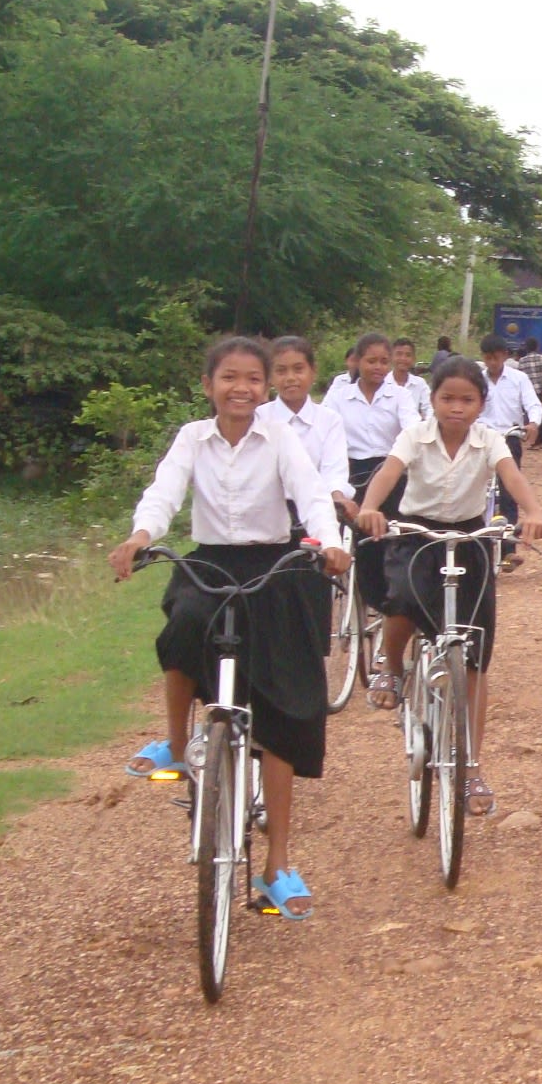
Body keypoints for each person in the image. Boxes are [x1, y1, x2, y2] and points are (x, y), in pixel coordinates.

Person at [110, 337, 352, 920]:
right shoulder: (192, 438)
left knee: (287, 711)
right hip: (212, 561)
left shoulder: (282, 438)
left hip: (276, 566)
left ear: (265, 389)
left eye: (252, 379)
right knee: (182, 625)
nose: (240, 388)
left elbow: (312, 495)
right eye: (229, 378)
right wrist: (141, 536)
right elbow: (164, 493)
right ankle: (174, 741)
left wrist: (333, 544)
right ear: (208, 384)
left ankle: (277, 867)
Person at [356, 356, 542, 816]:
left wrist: (533, 512)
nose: (456, 408)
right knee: (400, 594)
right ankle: (391, 664)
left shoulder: (490, 440)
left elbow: (512, 477)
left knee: (475, 654)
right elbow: (388, 471)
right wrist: (370, 507)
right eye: (447, 399)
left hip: (468, 537)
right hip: (417, 531)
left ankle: (470, 768)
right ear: (433, 400)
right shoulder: (414, 436)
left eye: (467, 400)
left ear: (482, 403)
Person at [326, 333, 422, 613]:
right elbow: (326, 430)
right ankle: (366, 593)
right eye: (371, 361)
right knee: (358, 539)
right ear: (357, 361)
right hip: (350, 471)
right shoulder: (339, 396)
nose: (378, 367)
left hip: (390, 470)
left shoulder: (400, 396)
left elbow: (411, 428)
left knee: (393, 536)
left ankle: (395, 594)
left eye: (384, 361)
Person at [258, 336, 358, 524]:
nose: (290, 378)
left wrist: (337, 496)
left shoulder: (329, 420)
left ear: (313, 372)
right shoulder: (257, 418)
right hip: (266, 512)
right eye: (281, 371)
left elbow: (334, 471)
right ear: (270, 377)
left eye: (298, 369)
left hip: (317, 509)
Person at [479, 335, 542, 565]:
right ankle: (477, 545)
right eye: (488, 358)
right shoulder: (477, 379)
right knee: (477, 489)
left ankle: (508, 548)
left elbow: (532, 403)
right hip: (481, 439)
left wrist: (533, 423)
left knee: (509, 492)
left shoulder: (519, 379)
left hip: (509, 437)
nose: (492, 363)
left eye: (496, 358)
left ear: (505, 356)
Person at [515, 337, 542, 436]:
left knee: (531, 414)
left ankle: (534, 438)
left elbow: (519, 376)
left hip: (528, 391)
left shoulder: (522, 361)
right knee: (541, 414)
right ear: (537, 347)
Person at [389, 337, 433, 420]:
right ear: (391, 357)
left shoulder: (420, 383)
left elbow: (429, 407)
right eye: (399, 354)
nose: (403, 358)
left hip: (414, 430)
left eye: (408, 355)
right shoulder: (382, 383)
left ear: (413, 359)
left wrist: (426, 424)